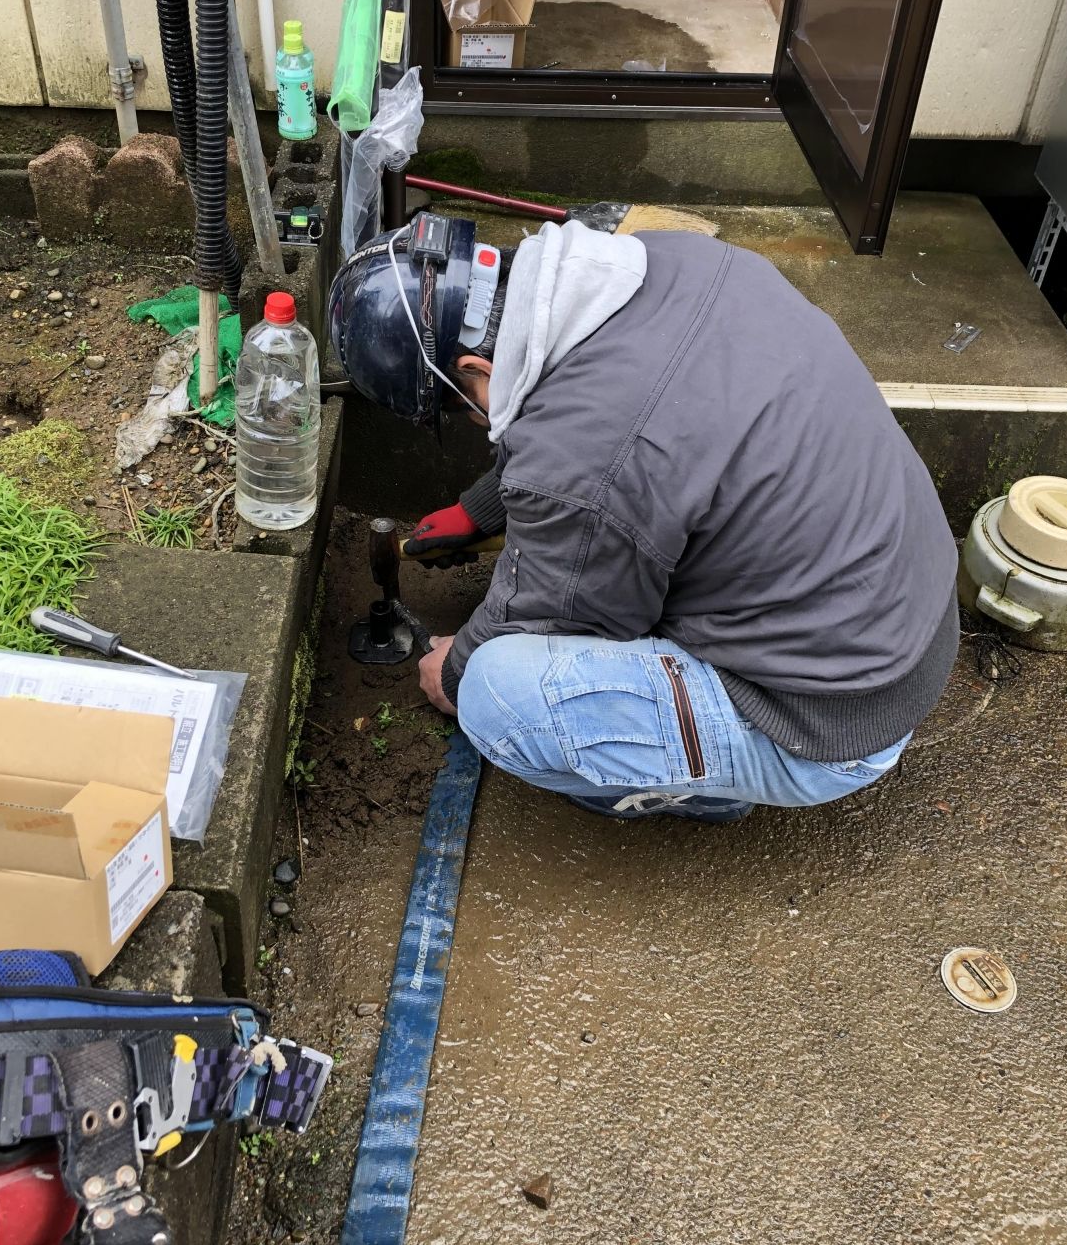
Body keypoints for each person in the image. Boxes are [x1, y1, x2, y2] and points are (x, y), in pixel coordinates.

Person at [328, 212, 959, 821]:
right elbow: (610, 431)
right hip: (908, 629)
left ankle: (703, 789)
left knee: (497, 696)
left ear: (475, 369)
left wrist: (455, 667)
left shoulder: (586, 467)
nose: (475, 423)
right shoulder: (668, 263)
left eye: (461, 407)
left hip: (828, 727)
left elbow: (559, 610)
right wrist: (482, 509)